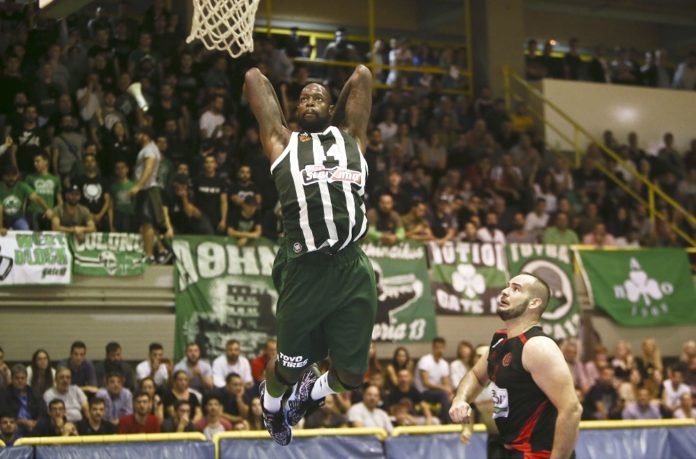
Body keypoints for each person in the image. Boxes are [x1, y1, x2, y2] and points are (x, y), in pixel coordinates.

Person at [245, 64, 376, 445]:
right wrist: (304, 112)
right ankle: (271, 406)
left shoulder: (352, 138)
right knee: (287, 368)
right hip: (305, 267)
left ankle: (311, 393)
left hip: (351, 264)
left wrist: (332, 114)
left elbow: (362, 75)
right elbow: (253, 78)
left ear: (332, 107)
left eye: (317, 98)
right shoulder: (282, 142)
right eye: (303, 98)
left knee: (351, 376)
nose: (309, 101)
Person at [450, 273, 582, 459]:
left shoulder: (537, 346)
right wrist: (460, 399)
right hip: (508, 448)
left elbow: (572, 410)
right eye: (507, 286)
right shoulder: (500, 341)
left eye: (516, 289)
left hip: (537, 454)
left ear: (534, 303)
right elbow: (477, 376)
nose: (505, 291)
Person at [129, 126, 164, 261]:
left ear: (146, 136)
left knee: (147, 222)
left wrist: (138, 186)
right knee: (147, 223)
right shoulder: (150, 148)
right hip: (147, 189)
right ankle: (161, 250)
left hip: (147, 189)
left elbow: (149, 168)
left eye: (139, 134)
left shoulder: (149, 150)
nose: (136, 136)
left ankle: (149, 255)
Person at [414, 337, 453, 424]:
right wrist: (444, 388)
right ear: (433, 348)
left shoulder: (444, 364)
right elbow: (426, 383)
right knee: (443, 394)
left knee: (453, 396)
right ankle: (446, 422)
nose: (440, 350)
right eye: (437, 347)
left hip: (436, 392)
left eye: (442, 347)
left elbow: (446, 383)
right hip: (422, 393)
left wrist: (449, 391)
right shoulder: (425, 360)